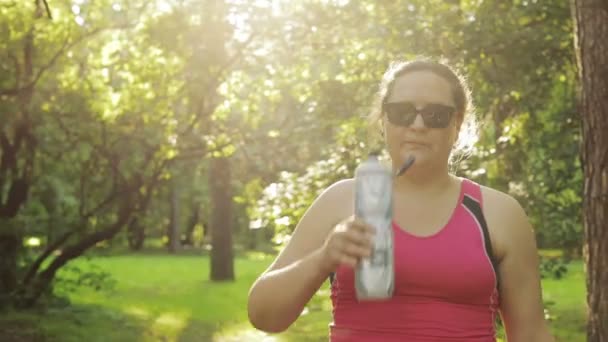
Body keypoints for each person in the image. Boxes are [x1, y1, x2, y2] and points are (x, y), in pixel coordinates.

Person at [247, 58, 555, 341]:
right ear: (383, 121)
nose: (417, 125)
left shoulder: (498, 213)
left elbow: (531, 334)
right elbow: (263, 315)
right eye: (401, 112)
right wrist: (322, 259)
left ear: (457, 124)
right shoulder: (342, 201)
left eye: (435, 115)